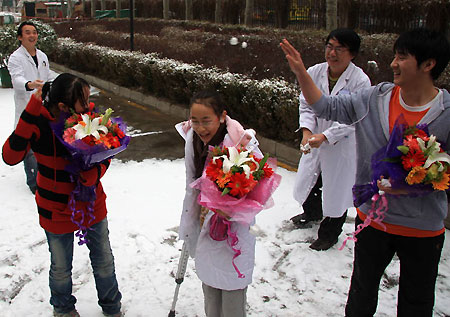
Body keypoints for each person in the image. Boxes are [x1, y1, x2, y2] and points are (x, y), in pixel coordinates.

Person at [281, 28, 449, 316]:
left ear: (428, 64)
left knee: (417, 303)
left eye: (402, 57)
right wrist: (300, 72)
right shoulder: (376, 98)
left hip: (422, 228)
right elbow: (324, 106)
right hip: (373, 221)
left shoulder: (446, 112)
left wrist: (415, 183)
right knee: (360, 297)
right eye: (395, 55)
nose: (393, 64)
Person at [2, 73, 122, 317]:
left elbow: (107, 152)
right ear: (62, 106)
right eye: (83, 99)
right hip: (54, 207)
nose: (89, 104)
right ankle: (63, 308)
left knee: (104, 260)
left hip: (90, 203)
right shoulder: (38, 122)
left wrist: (96, 172)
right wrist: (29, 112)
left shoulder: (89, 118)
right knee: (60, 267)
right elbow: (10, 156)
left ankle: (111, 307)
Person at [175, 90, 261, 317]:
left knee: (231, 286)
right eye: (195, 121)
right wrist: (192, 217)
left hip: (234, 228)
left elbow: (259, 181)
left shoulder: (240, 141)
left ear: (222, 117)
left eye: (206, 121)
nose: (201, 128)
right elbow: (191, 181)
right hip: (205, 222)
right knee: (210, 283)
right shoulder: (193, 139)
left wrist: (231, 206)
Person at [290, 28, 371, 251]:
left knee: (337, 188)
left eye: (339, 49)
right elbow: (305, 103)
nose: (332, 53)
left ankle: (329, 233)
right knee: (311, 180)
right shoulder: (315, 72)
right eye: (329, 47)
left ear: (352, 54)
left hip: (341, 145)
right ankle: (312, 213)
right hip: (314, 139)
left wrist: (326, 136)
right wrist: (307, 131)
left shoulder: (360, 81)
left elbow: (355, 118)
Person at [8, 20, 57, 194]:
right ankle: (33, 182)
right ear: (20, 37)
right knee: (27, 142)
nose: (32, 35)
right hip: (26, 104)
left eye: (34, 32)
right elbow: (17, 79)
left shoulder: (42, 55)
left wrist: (61, 80)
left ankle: (44, 174)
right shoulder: (16, 58)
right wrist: (29, 84)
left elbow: (47, 74)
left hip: (43, 104)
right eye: (27, 33)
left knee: (42, 140)